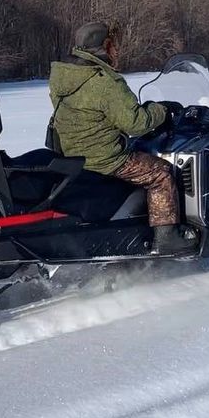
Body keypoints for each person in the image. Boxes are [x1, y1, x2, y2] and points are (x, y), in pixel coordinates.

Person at [48, 22, 197, 255]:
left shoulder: (63, 74)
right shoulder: (105, 82)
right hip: (105, 159)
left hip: (72, 155)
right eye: (114, 45)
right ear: (104, 46)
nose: (117, 50)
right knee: (161, 173)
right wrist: (162, 110)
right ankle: (167, 238)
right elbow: (135, 123)